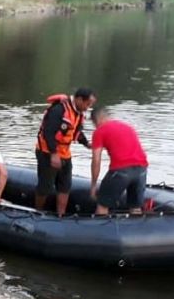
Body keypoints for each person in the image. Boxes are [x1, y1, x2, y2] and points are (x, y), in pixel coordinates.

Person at [34, 88, 96, 216]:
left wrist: (87, 143)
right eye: (87, 104)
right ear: (79, 100)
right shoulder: (59, 110)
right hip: (47, 152)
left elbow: (76, 132)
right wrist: (54, 154)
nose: (88, 108)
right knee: (45, 186)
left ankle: (60, 215)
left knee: (65, 185)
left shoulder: (78, 113)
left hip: (65, 153)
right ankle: (37, 212)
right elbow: (48, 133)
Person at [89, 106, 149, 216]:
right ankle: (136, 230)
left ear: (96, 120)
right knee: (135, 207)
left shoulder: (99, 131)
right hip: (141, 169)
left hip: (121, 171)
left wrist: (93, 185)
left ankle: (99, 231)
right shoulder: (127, 127)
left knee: (102, 205)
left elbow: (96, 160)